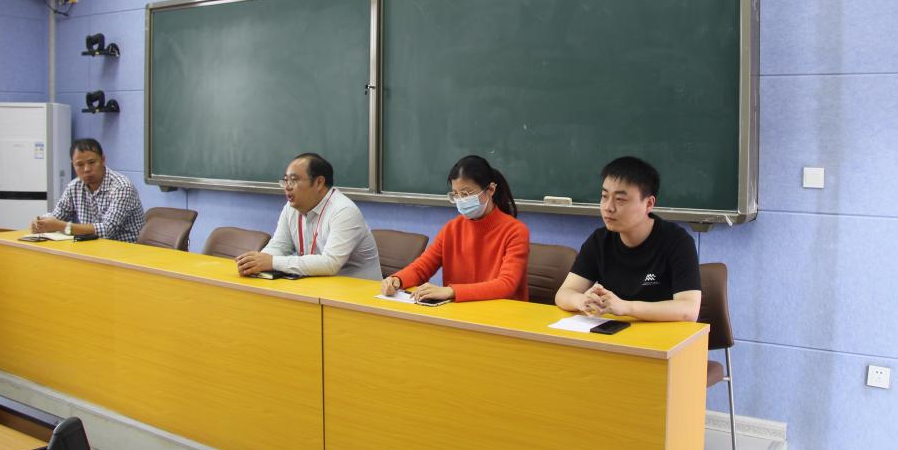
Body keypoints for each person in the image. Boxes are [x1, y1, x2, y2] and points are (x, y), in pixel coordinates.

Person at [555, 156, 701, 321]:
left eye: (620, 200)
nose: (608, 207)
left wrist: (626, 307)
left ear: (649, 204)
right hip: (614, 331)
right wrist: (581, 300)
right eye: (604, 196)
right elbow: (563, 294)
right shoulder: (599, 240)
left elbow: (689, 310)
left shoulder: (677, 241)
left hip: (663, 334)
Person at [379, 155, 529, 302]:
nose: (461, 200)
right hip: (458, 311)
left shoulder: (515, 231)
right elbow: (422, 266)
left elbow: (506, 285)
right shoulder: (452, 229)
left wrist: (451, 291)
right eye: (456, 194)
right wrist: (397, 280)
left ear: (490, 189)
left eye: (466, 193)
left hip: (502, 312)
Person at [236, 153, 381, 279]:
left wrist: (272, 262)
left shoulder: (344, 211)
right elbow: (279, 245)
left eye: (294, 180)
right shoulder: (291, 208)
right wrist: (257, 262)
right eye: (285, 180)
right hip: (318, 286)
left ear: (319, 183)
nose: (287, 187)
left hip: (357, 291)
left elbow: (330, 263)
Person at [30, 138, 145, 243]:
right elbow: (57, 217)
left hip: (125, 251)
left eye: (91, 162)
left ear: (103, 160)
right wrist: (41, 222)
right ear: (73, 165)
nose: (86, 169)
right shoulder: (74, 187)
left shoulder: (121, 187)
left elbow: (107, 230)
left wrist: (62, 226)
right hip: (92, 248)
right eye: (79, 165)